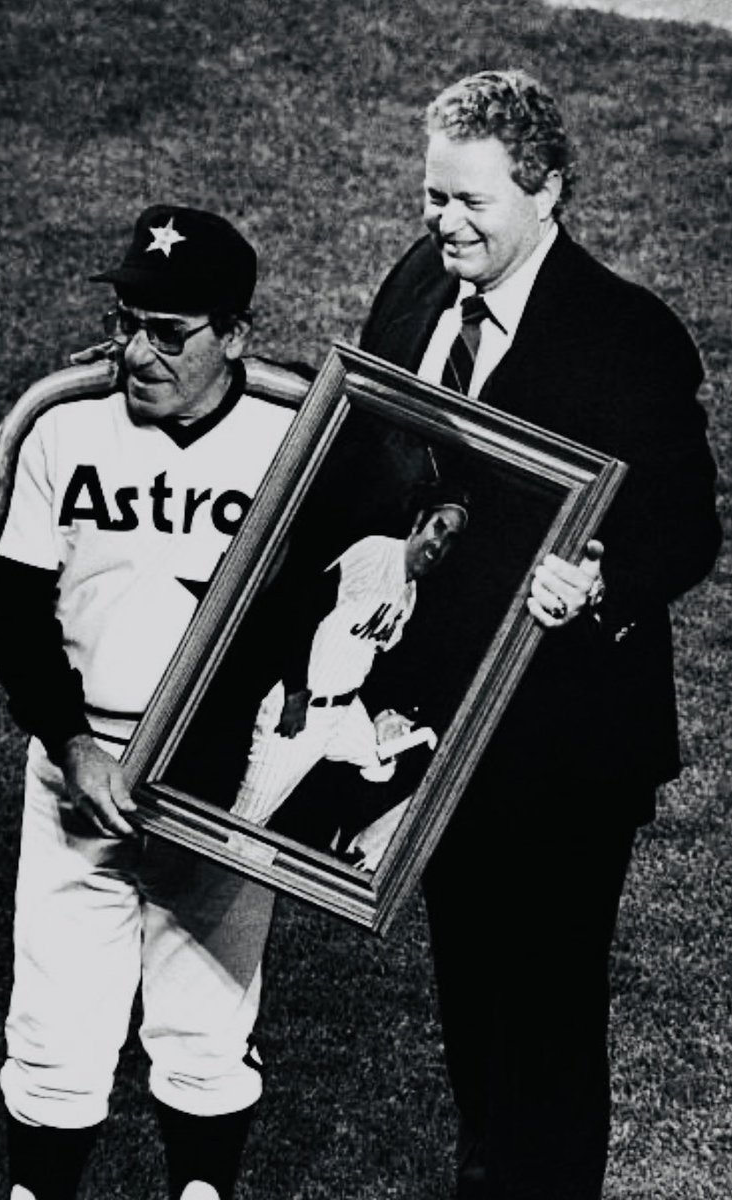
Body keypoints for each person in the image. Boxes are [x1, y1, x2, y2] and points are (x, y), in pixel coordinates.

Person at [358, 70, 721, 1199]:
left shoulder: (626, 335)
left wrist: (603, 580)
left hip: (564, 740)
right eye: (432, 197)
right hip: (435, 720)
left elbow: (686, 525)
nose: (445, 225)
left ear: (546, 190)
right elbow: (376, 448)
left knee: (547, 1010)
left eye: (472, 203)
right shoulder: (417, 286)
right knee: (469, 990)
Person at [0, 205, 307, 1200]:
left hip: (226, 777)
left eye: (169, 333)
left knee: (206, 1021)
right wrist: (69, 742)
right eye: (126, 321)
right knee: (55, 1024)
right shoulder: (61, 414)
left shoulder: (298, 431)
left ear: (234, 334)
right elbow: (12, 598)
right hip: (83, 760)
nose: (137, 353)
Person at [231, 485, 469, 830]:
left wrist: (386, 715)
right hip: (301, 708)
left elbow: (368, 657)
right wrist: (296, 692)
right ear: (419, 521)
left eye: (452, 538)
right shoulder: (376, 553)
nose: (440, 542)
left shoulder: (410, 593)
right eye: (438, 527)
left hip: (343, 711)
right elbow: (301, 610)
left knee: (382, 761)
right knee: (244, 825)